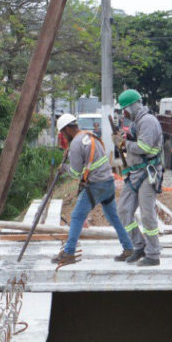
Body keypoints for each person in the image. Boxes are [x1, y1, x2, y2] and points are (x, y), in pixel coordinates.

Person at [51, 114, 136, 266]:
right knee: (113, 218)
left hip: (96, 185)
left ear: (68, 129)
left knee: (77, 216)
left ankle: (69, 253)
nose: (63, 136)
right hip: (108, 182)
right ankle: (129, 248)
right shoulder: (90, 135)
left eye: (63, 133)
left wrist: (64, 168)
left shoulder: (75, 144)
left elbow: (76, 172)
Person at [115, 89, 164, 266]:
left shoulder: (148, 121)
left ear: (133, 106)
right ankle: (139, 245)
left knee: (147, 214)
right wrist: (125, 139)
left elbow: (144, 148)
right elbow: (135, 142)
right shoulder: (136, 123)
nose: (124, 113)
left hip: (147, 173)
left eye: (125, 109)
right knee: (123, 210)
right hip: (134, 173)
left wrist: (125, 143)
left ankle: (153, 254)